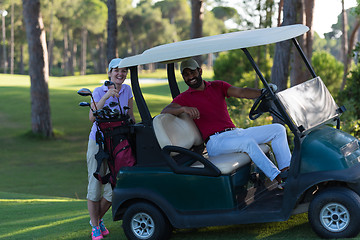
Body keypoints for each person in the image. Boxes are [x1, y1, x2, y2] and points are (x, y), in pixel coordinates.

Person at [161, 58, 291, 188]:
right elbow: (165, 111)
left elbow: (241, 92)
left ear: (200, 71)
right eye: (186, 74)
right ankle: (279, 179)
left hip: (235, 133)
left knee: (278, 130)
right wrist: (183, 109)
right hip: (216, 142)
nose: (190, 77)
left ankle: (288, 172)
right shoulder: (184, 98)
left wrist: (262, 92)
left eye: (192, 72)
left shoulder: (217, 86)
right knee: (247, 142)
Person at [86, 58, 135, 240]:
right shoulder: (99, 91)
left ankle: (96, 221)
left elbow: (130, 115)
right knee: (95, 184)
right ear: (109, 72)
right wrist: (107, 96)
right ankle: (95, 227)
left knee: (114, 185)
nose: (120, 74)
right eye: (117, 70)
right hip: (98, 143)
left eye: (124, 71)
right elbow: (92, 117)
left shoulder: (128, 90)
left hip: (118, 142)